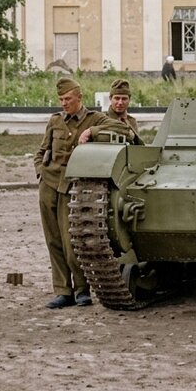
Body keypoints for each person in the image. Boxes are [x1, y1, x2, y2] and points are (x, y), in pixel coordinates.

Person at [34, 77, 132, 309]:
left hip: (74, 186)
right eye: (61, 99)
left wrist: (92, 130)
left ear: (79, 97)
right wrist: (40, 171)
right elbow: (41, 151)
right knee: (54, 241)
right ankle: (62, 291)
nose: (64, 103)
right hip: (49, 184)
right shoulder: (55, 120)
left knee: (73, 242)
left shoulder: (94, 118)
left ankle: (81, 290)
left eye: (67, 99)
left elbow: (123, 129)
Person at [105, 78, 141, 144]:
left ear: (129, 99)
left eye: (124, 99)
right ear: (110, 98)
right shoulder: (102, 119)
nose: (120, 102)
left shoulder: (131, 121)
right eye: (117, 98)